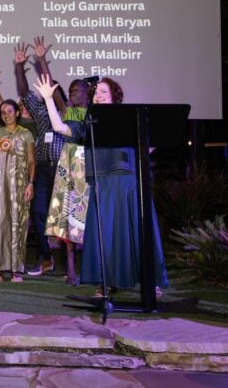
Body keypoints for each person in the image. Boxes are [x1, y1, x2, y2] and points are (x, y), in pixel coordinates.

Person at [34, 75, 168, 296]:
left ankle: (149, 281)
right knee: (106, 235)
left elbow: (150, 142)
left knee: (136, 230)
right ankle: (107, 283)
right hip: (101, 183)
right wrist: (49, 98)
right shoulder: (88, 121)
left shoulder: (129, 117)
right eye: (96, 92)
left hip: (128, 183)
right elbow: (59, 127)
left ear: (115, 96)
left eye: (104, 92)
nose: (99, 95)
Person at [13, 38, 66, 278]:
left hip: (64, 169)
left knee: (64, 217)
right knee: (38, 213)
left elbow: (55, 96)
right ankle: (46, 259)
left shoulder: (66, 112)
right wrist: (19, 67)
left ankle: (70, 264)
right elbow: (23, 93)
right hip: (44, 170)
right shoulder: (42, 112)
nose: (47, 93)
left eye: (52, 91)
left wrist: (43, 62)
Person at [0, 68, 35, 283]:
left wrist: (31, 183)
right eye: (2, 111)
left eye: (9, 111)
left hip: (20, 185)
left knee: (18, 224)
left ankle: (16, 270)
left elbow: (31, 161)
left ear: (17, 113)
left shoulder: (26, 133)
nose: (5, 114)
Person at [44, 77, 91, 285]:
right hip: (70, 162)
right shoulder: (69, 112)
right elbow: (55, 96)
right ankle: (70, 267)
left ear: (87, 93)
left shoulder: (93, 111)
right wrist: (42, 60)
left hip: (89, 161)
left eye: (78, 89)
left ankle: (93, 267)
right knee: (69, 216)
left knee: (89, 216)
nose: (73, 92)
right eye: (71, 89)